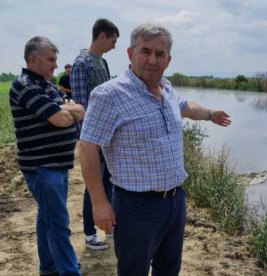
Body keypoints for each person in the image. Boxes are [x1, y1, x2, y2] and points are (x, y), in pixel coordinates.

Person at [78, 23, 231, 275]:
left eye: (160, 54)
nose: (152, 60)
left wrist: (210, 113)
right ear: (130, 53)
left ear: (168, 60)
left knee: (169, 269)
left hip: (175, 202)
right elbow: (87, 147)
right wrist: (99, 203)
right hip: (135, 207)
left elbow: (185, 106)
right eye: (145, 51)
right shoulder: (109, 95)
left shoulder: (167, 89)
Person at [9, 36, 85, 276]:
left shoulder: (49, 87)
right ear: (33, 59)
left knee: (47, 219)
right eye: (50, 59)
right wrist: (65, 109)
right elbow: (62, 118)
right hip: (42, 167)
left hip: (58, 166)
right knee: (58, 224)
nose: (55, 65)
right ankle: (69, 272)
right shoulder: (24, 85)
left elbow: (79, 111)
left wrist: (66, 109)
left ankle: (50, 267)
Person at [71, 18, 119, 250]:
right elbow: (81, 108)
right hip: (93, 140)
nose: (113, 45)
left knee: (108, 183)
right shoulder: (82, 64)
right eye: (112, 40)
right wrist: (89, 143)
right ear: (102, 36)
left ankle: (108, 227)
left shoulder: (103, 63)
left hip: (108, 138)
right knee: (93, 186)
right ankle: (90, 234)